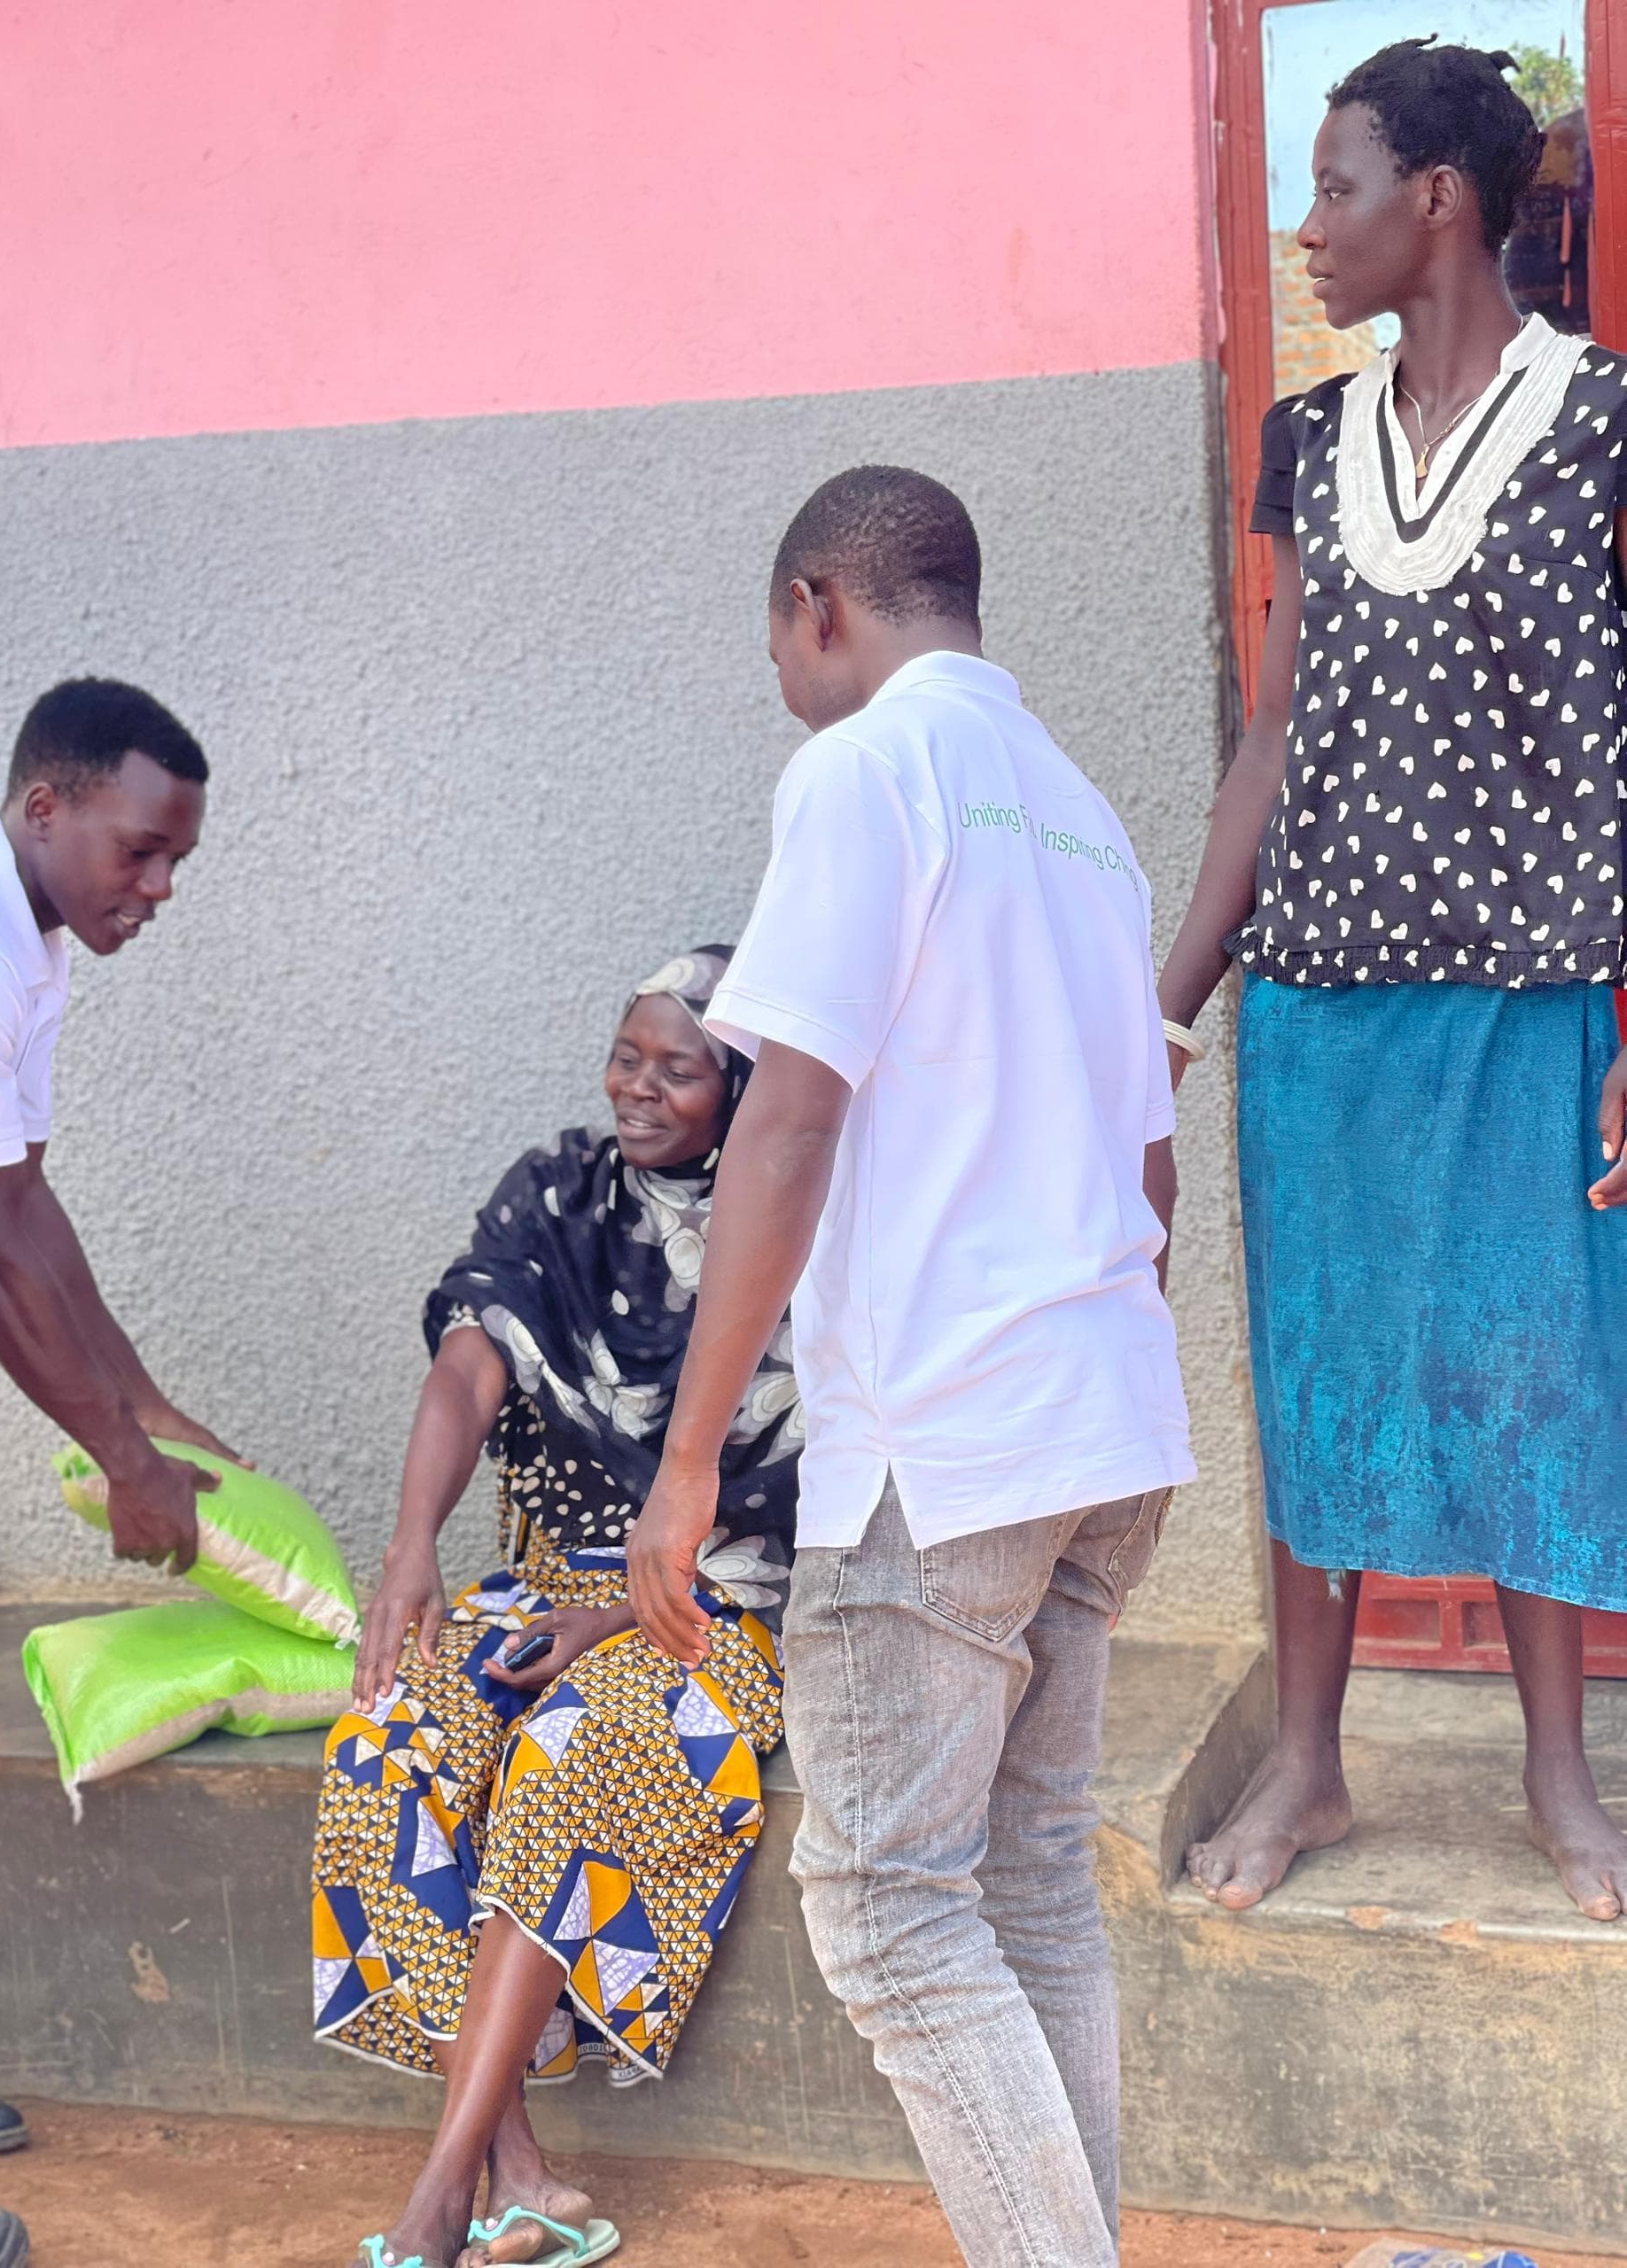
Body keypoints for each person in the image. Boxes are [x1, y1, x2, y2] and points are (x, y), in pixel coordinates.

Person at [627, 468, 1195, 2267]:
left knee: (884, 1909)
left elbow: (786, 1114)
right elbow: (1152, 1164)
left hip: (945, 1444)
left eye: (782, 638)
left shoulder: (864, 767)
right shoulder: (1084, 813)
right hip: (1101, 1424)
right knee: (1020, 1888)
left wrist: (693, 1450)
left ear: (820, 605)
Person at [1158, 41, 1627, 1922]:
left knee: (1526, 1368)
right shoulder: (1306, 438)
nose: (1309, 223)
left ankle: (1556, 1777)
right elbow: (1272, 743)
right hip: (1327, 1003)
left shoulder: (1605, 423)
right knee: (1325, 1372)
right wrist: (1165, 1005)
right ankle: (1312, 1761)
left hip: (1526, 1001)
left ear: (1438, 195)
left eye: (1335, 184)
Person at [319, 950, 802, 2268]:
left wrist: (643, 1612)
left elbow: (802, 1490)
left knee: (574, 1753)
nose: (640, 1089)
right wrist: (414, 1542)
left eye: (680, 1069)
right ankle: (519, 2166)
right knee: (394, 1729)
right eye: (628, 1056)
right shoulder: (558, 1194)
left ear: (746, 1090)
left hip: (726, 1607)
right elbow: (471, 1366)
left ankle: (436, 2199)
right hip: (553, 1577)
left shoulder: (800, 1229)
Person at [0, 678, 238, 2268]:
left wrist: (150, 1408)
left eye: (178, 859)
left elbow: (27, 1214)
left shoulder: (26, 948)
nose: (159, 889)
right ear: (46, 809)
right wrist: (116, 1462)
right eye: (140, 850)